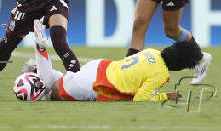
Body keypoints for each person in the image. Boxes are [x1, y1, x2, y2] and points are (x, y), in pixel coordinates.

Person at [28, 20, 207, 102]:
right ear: (181, 65)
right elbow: (141, 98)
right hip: (99, 83)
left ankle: (36, 64)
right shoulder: (161, 74)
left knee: (60, 80)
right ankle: (38, 56)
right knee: (52, 94)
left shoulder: (152, 52)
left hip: (100, 66)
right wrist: (166, 96)